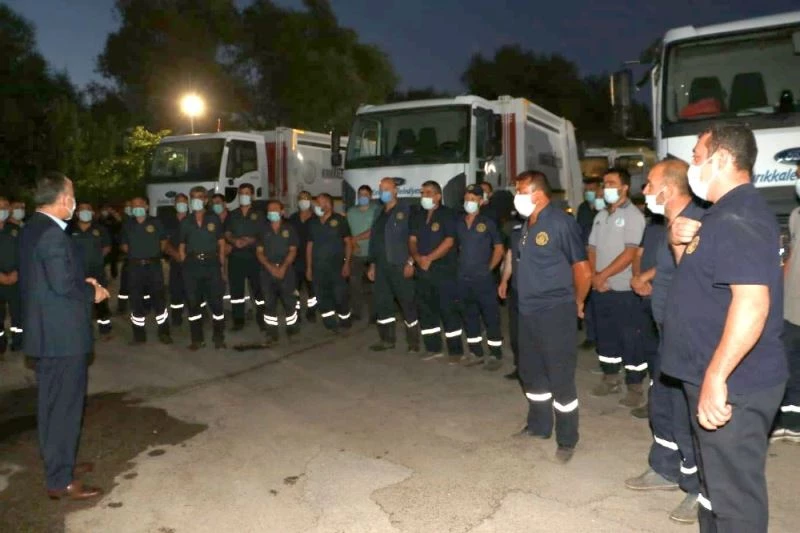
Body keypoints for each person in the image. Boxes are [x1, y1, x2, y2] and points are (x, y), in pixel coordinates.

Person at [664, 124, 787, 532]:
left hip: (737, 383)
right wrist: (678, 242)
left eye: (697, 157)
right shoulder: (717, 214)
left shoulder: (739, 216)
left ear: (720, 159)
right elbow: (700, 283)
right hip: (710, 372)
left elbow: (752, 303)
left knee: (735, 501)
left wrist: (717, 376)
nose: (692, 166)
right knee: (715, 488)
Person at [19, 171, 107, 500]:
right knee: (64, 409)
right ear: (63, 199)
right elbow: (62, 285)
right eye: (72, 195)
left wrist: (81, 284)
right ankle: (60, 479)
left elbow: (49, 280)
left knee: (53, 406)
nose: (74, 201)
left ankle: (61, 462)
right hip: (62, 338)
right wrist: (93, 292)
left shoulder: (33, 227)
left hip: (49, 334)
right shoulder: (52, 234)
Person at [624, 160, 703, 524]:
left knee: (691, 413)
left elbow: (700, 275)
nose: (644, 190)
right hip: (667, 332)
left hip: (690, 336)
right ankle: (666, 467)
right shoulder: (665, 224)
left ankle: (699, 487)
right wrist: (649, 280)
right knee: (664, 404)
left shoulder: (697, 222)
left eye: (649, 183)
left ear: (668, 189)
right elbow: (670, 266)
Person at [507, 171, 591, 462]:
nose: (516, 196)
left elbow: (582, 270)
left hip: (555, 310)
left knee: (560, 376)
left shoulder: (560, 222)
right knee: (531, 372)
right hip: (527, 311)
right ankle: (539, 425)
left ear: (537, 194)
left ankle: (567, 439)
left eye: (520, 190)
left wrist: (578, 302)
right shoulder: (526, 224)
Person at [587, 168, 647, 403]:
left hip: (624, 290)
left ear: (624, 187)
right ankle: (610, 377)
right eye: (605, 183)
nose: (607, 188)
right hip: (601, 288)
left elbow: (631, 253)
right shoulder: (601, 215)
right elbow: (591, 249)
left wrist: (603, 275)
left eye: (612, 183)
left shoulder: (633, 216)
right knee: (606, 336)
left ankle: (635, 386)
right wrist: (595, 277)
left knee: (631, 338)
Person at [409, 180, 463, 362]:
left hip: (443, 270)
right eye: (422, 192)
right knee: (426, 309)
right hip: (422, 271)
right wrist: (417, 258)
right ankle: (433, 348)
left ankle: (455, 351)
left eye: (428, 192)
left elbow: (449, 241)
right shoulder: (418, 215)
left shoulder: (448, 214)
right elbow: (412, 240)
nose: (424, 196)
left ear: (438, 196)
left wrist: (429, 258)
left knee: (448, 310)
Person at [456, 184, 505, 370]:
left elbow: (499, 248)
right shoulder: (459, 222)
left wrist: (489, 268)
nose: (469, 202)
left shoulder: (488, 222)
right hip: (463, 278)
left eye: (473, 199)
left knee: (490, 315)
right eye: (467, 198)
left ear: (481, 201)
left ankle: (495, 354)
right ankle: (475, 352)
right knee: (469, 316)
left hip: (483, 279)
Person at [367, 178, 420, 352]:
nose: (383, 192)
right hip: (381, 266)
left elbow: (415, 239)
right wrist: (372, 264)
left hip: (400, 264)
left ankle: (413, 342)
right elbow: (374, 240)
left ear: (395, 191)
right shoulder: (379, 212)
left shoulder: (407, 210)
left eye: (387, 189)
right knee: (383, 303)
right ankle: (387, 340)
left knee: (407, 303)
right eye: (381, 189)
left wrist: (411, 261)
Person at [179, 186, 227, 350]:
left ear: (206, 200)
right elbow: (182, 246)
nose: (196, 200)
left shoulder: (214, 219)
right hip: (192, 265)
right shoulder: (186, 221)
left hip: (211, 264)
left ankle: (219, 337)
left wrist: (222, 267)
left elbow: (221, 244)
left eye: (200, 197)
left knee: (216, 304)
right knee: (193, 304)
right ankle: (197, 339)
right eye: (193, 197)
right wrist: (185, 266)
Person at [120, 197, 172, 345]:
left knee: (159, 299)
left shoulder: (156, 222)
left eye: (140, 205)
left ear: (147, 206)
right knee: (135, 300)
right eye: (134, 205)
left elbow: (163, 241)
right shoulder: (127, 224)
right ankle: (139, 335)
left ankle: (164, 332)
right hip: (135, 267)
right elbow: (123, 245)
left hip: (153, 266)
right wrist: (137, 254)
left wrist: (153, 254)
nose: (137, 208)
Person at [775, 167, 800, 443]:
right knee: (788, 363)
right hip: (792, 306)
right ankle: (791, 422)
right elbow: (791, 257)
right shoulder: (795, 215)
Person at [307, 193, 353, 332]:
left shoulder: (340, 220)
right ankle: (330, 323)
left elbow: (348, 242)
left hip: (336, 267)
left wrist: (347, 263)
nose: (317, 206)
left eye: (320, 203)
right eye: (316, 203)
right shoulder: (313, 222)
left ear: (328, 204)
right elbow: (310, 245)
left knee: (340, 296)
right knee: (322, 296)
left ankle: (345, 319)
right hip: (318, 267)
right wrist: (309, 267)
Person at [224, 183, 266, 331]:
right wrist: (234, 240)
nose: (244, 196)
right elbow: (227, 232)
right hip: (236, 258)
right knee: (236, 291)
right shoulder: (233, 214)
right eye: (241, 193)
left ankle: (263, 319)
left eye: (247, 193)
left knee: (259, 290)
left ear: (252, 195)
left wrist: (251, 240)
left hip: (255, 258)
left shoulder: (260, 214)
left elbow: (264, 233)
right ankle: (238, 321)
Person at [257, 199, 299, 342]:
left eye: (275, 209)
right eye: (269, 210)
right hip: (267, 272)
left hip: (286, 270)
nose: (272, 212)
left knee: (289, 302)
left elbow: (293, 250)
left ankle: (292, 330)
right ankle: (271, 333)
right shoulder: (263, 230)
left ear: (282, 212)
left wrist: (283, 268)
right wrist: (271, 267)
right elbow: (259, 252)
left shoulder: (289, 229)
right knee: (269, 303)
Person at [70, 203, 113, 340]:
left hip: (97, 271)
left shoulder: (100, 229)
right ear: (77, 214)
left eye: (88, 210)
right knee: (78, 302)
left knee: (101, 301)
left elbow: (107, 247)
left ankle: (105, 330)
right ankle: (82, 332)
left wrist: (98, 258)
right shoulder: (69, 230)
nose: (85, 212)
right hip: (76, 272)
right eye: (82, 210)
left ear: (93, 213)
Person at [346, 185, 378, 322]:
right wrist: (353, 244)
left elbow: (374, 231)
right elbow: (347, 231)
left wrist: (356, 239)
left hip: (372, 254)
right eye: (360, 194)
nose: (362, 197)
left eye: (365, 194)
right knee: (354, 285)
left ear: (370, 196)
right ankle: (356, 312)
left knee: (373, 286)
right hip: (356, 254)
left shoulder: (376, 210)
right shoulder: (351, 212)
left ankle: (374, 314)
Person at [576, 178, 602, 351]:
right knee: (588, 300)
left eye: (592, 189)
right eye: (586, 190)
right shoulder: (583, 208)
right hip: (586, 257)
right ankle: (591, 335)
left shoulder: (606, 209)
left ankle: (603, 336)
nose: (589, 193)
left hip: (604, 259)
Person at [498, 217, 523, 380]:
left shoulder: (547, 228)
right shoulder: (516, 231)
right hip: (517, 290)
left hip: (537, 293)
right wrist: (504, 280)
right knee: (516, 333)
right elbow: (510, 255)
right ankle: (520, 367)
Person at [288, 191, 318, 322]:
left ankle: (312, 312)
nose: (303, 201)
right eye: (301, 198)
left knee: (313, 289)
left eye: (306, 198)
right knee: (295, 289)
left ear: (310, 201)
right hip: (295, 260)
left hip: (312, 259)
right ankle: (297, 313)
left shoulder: (316, 219)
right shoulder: (293, 218)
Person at [0, 197, 23, 354]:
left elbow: (26, 254)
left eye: (4, 207)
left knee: (18, 315)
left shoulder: (16, 230)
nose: (2, 210)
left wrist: (18, 272)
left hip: (16, 281)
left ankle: (18, 343)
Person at [165, 194, 189, 326]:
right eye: (179, 202)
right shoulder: (169, 221)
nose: (181, 205)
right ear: (174, 205)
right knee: (175, 290)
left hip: (191, 261)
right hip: (176, 261)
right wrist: (176, 255)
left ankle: (200, 315)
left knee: (194, 290)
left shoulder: (192, 219)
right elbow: (164, 241)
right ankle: (176, 318)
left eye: (184, 202)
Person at [117, 200, 133, 314]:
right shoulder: (123, 222)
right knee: (125, 284)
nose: (128, 209)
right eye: (126, 207)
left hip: (139, 258)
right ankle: (122, 307)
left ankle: (144, 305)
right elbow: (122, 242)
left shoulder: (136, 221)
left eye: (130, 206)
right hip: (129, 258)